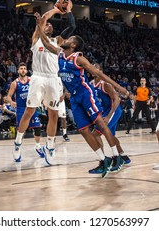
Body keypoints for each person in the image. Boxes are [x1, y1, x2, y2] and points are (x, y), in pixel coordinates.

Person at [37, 24, 128, 177]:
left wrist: (119, 87)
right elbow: (45, 43)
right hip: (73, 96)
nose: (66, 39)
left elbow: (99, 73)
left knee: (100, 123)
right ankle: (102, 160)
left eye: (70, 39)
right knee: (83, 130)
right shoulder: (60, 53)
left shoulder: (79, 58)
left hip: (85, 93)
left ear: (73, 45)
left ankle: (116, 157)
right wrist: (39, 25)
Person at [13, 0, 76, 162]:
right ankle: (18, 143)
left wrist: (67, 10)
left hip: (53, 79)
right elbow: (42, 21)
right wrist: (54, 11)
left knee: (53, 115)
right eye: (47, 25)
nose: (49, 26)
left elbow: (72, 26)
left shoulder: (57, 41)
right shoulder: (36, 39)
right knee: (29, 111)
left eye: (51, 26)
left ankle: (49, 146)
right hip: (38, 77)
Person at [90, 63, 131, 173]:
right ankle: (123, 156)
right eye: (92, 68)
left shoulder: (105, 84)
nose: (93, 70)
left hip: (113, 111)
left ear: (101, 71)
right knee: (110, 136)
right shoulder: (90, 84)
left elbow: (116, 100)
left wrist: (108, 117)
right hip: (104, 112)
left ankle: (103, 162)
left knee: (95, 134)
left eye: (96, 69)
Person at [7, 62, 45, 162]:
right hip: (21, 108)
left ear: (27, 70)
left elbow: (39, 90)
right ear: (18, 71)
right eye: (21, 68)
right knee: (21, 130)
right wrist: (11, 101)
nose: (23, 70)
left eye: (24, 68)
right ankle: (17, 148)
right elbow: (8, 96)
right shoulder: (15, 83)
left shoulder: (31, 80)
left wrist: (41, 99)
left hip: (32, 106)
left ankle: (37, 146)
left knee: (37, 127)